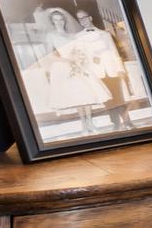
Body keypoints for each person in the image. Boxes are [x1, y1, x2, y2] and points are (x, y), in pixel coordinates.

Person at [34, 7, 122, 137]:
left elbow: (82, 50)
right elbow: (50, 55)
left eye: (60, 19)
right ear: (52, 22)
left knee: (86, 97)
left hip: (79, 66)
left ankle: (91, 124)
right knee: (78, 99)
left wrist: (80, 58)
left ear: (64, 20)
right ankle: (84, 126)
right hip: (65, 67)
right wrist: (67, 60)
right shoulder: (51, 35)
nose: (59, 22)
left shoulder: (72, 35)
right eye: (55, 20)